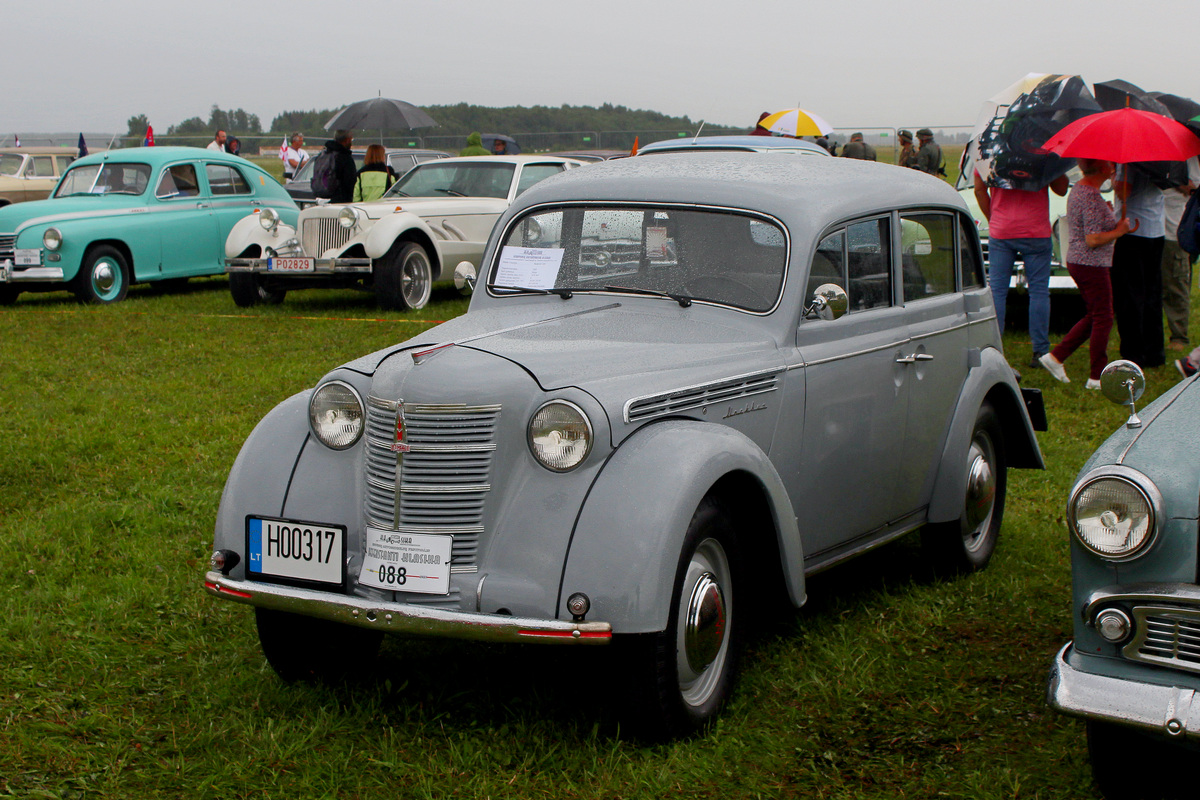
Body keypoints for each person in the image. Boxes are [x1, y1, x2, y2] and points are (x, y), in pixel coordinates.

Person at [1039, 159, 1135, 388]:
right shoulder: (1090, 195)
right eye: (1110, 164)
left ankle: (1056, 357)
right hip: (1090, 263)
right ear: (1102, 168)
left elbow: (1090, 226)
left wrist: (1110, 218)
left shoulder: (1082, 190)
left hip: (1082, 261)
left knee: (1095, 315)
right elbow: (1092, 240)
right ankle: (1096, 376)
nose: (1113, 167)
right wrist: (1119, 231)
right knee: (1103, 317)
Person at [974, 168, 1069, 366]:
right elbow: (1061, 189)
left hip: (1002, 229)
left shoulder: (989, 148)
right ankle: (1040, 351)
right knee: (1039, 292)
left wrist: (993, 218)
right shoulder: (1042, 150)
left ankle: (994, 348)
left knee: (998, 291)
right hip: (1036, 229)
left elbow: (979, 190)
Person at [1112, 165, 1167, 368]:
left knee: (1130, 294)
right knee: (1152, 292)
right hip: (1155, 227)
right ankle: (1155, 351)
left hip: (1133, 229)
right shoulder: (1160, 158)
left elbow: (1124, 191)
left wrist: (1115, 179)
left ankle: (1133, 352)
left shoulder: (1129, 162)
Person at [1161, 158, 1200, 351]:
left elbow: (1193, 185)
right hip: (1157, 226)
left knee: (1176, 284)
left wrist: (1173, 179)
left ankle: (1179, 336)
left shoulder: (1186, 156)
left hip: (1175, 227)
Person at [318, 129, 357, 204]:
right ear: (347, 140)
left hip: (324, 197)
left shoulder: (325, 154)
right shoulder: (345, 158)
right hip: (342, 200)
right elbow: (350, 180)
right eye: (351, 139)